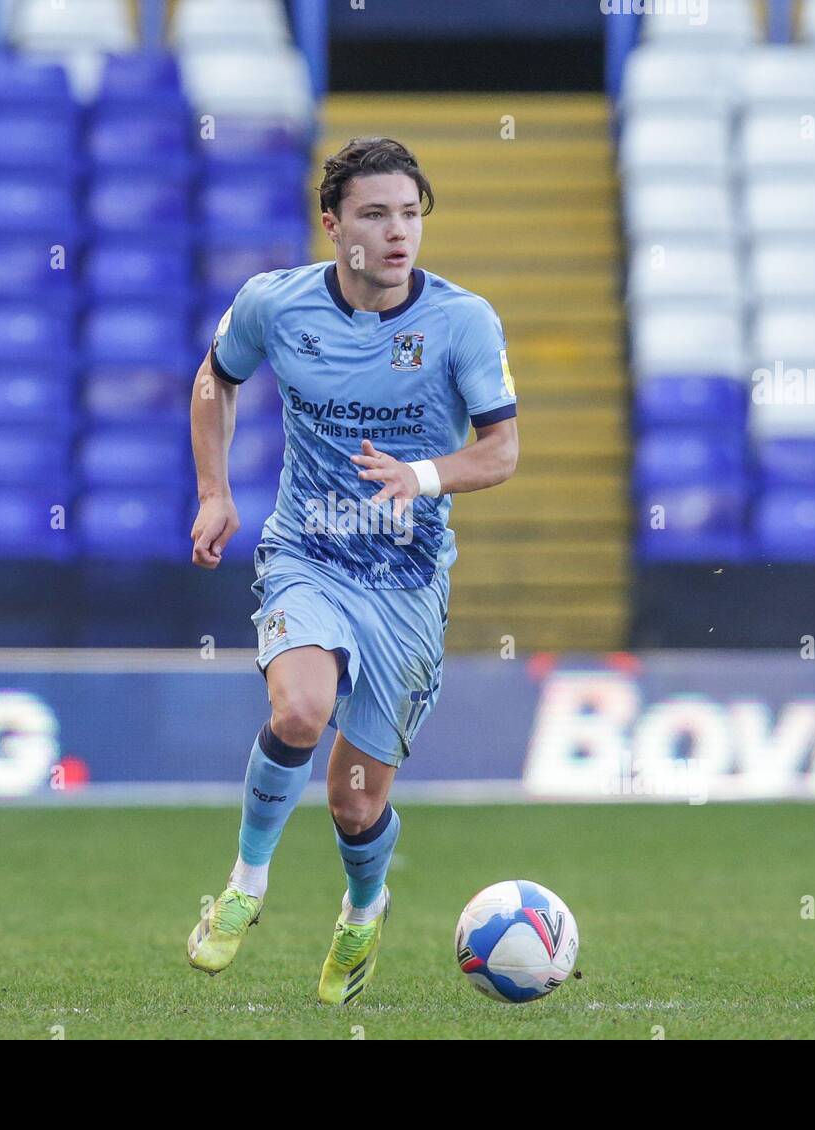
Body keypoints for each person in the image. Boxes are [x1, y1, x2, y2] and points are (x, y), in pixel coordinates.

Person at [187, 137, 519, 1004]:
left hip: (406, 584)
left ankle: (364, 909)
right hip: (309, 554)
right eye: (375, 214)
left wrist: (424, 475)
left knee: (354, 805)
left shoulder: (462, 322)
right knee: (300, 707)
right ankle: (244, 889)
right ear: (333, 225)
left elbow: (502, 451)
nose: (398, 232)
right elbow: (216, 380)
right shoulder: (275, 305)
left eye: (411, 213)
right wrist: (215, 492)